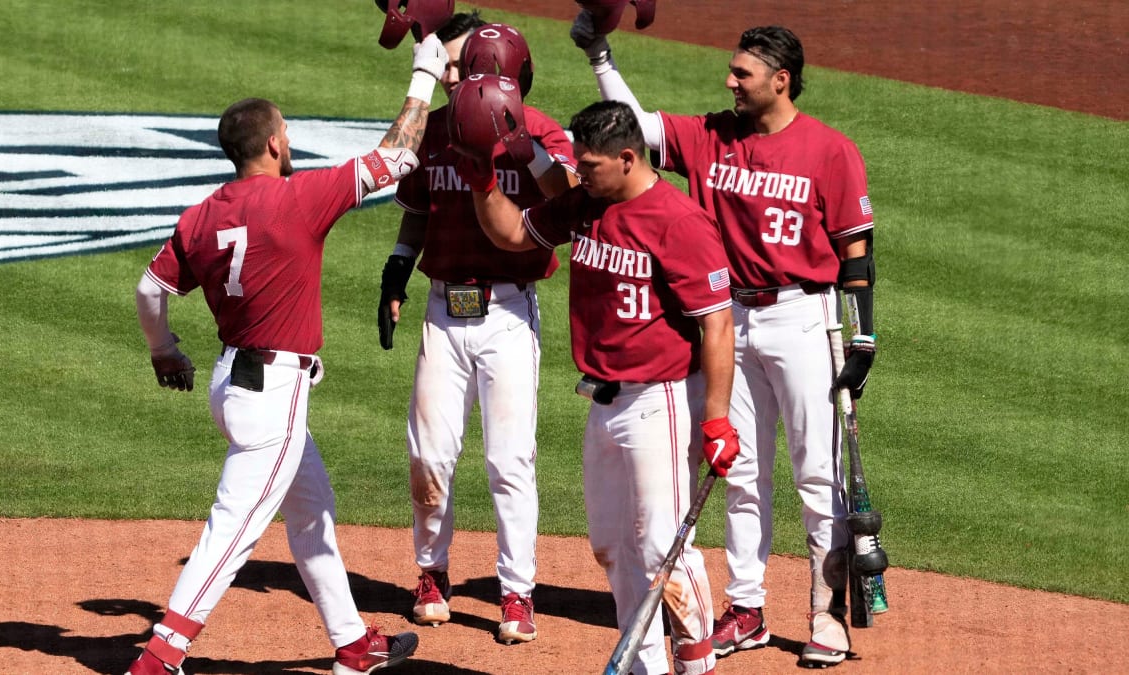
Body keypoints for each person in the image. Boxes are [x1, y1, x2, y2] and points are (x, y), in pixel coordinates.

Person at [125, 35, 449, 675]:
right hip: (272, 394)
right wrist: (425, 72)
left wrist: (164, 351)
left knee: (312, 515)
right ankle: (162, 655)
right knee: (233, 528)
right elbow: (399, 156)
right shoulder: (300, 198)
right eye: (287, 134)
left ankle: (353, 644)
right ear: (273, 144)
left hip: (233, 382)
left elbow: (149, 287)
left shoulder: (200, 215)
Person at [571, 16, 879, 668]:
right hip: (731, 317)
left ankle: (826, 616)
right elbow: (637, 127)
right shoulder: (712, 135)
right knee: (737, 469)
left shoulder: (830, 150)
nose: (730, 80)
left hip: (803, 318)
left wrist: (865, 334)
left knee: (815, 474)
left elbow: (856, 248)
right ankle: (747, 606)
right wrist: (599, 53)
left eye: (743, 73)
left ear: (781, 79)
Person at [462, 98, 740, 675]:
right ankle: (645, 666)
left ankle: (697, 659)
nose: (577, 174)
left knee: (665, 546)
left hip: (660, 400)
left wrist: (716, 419)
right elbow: (513, 233)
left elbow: (717, 322)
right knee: (612, 547)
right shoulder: (586, 204)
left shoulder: (679, 221)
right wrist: (482, 181)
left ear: (628, 158)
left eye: (588, 165)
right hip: (603, 400)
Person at [374, 11, 576, 644]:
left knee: (509, 460)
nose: (456, 76)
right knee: (429, 454)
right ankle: (432, 575)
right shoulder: (435, 133)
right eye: (455, 68)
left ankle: (517, 593)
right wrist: (397, 271)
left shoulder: (544, 134)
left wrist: (523, 147)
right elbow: (413, 207)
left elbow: (570, 195)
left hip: (510, 313)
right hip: (443, 307)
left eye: (465, 68)